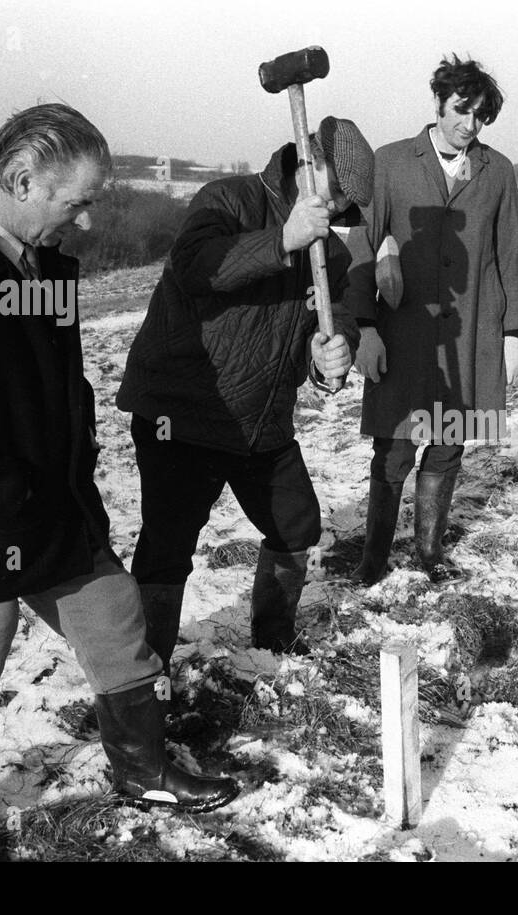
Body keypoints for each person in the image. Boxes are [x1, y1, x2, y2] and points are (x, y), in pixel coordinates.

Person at [0, 104, 239, 862]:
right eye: (79, 201)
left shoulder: (44, 261)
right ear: (23, 178)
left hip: (53, 509)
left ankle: (143, 767)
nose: (88, 221)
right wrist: (6, 493)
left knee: (117, 622)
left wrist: (69, 478)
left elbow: (60, 386)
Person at [116, 117, 371, 662]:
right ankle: (145, 677)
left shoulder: (333, 255)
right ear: (309, 161)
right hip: (184, 413)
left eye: (347, 205)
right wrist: (282, 239)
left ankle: (274, 639)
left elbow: (337, 318)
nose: (338, 211)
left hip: (262, 420)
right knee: (168, 545)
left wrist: (330, 356)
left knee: (296, 522)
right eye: (336, 194)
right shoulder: (225, 200)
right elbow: (195, 269)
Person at [348, 54, 518, 585]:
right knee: (396, 446)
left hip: (472, 331)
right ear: (439, 101)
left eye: (479, 117)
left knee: (449, 442)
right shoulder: (391, 162)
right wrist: (365, 328)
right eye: (459, 110)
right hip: (402, 336)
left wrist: (512, 333)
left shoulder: (497, 172)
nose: (467, 125)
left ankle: (429, 553)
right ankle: (373, 559)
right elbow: (360, 247)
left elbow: (508, 255)